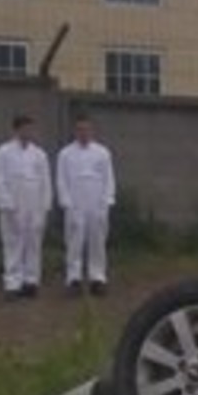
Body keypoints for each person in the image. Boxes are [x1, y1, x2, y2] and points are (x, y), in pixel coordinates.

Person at [0, 114, 52, 301]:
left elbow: (45, 181)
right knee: (13, 243)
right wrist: (7, 204)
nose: (28, 132)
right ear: (16, 130)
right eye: (24, 128)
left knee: (33, 243)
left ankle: (31, 281)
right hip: (14, 202)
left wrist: (45, 206)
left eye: (30, 128)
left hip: (34, 202)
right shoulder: (4, 152)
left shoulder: (39, 154)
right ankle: (12, 283)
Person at [56, 112, 117, 297]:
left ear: (92, 130)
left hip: (96, 201)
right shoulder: (65, 153)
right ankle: (73, 278)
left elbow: (109, 179)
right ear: (75, 131)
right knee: (74, 240)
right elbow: (61, 180)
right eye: (80, 129)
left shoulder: (102, 152)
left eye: (87, 129)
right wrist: (66, 202)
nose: (83, 132)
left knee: (97, 240)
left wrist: (107, 201)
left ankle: (97, 278)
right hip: (75, 202)